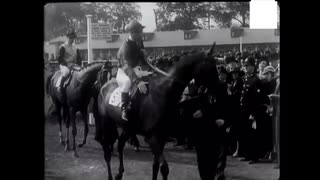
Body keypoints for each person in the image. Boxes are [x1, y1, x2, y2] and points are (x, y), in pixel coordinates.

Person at [116, 20, 151, 121]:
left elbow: (142, 58)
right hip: (124, 71)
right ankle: (124, 109)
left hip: (136, 69)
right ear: (132, 33)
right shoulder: (125, 46)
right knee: (127, 82)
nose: (141, 33)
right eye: (139, 32)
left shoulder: (139, 41)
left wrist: (148, 62)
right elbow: (126, 67)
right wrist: (138, 81)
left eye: (141, 31)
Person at [239, 56, 269, 164]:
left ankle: (254, 156)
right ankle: (247, 155)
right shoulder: (247, 78)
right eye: (245, 66)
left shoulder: (256, 80)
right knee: (246, 133)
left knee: (253, 135)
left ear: (253, 67)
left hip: (252, 111)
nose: (246, 68)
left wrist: (254, 113)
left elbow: (258, 99)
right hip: (245, 110)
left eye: (248, 66)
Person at [57, 28, 82, 96]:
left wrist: (79, 65)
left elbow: (79, 58)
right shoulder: (63, 47)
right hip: (64, 65)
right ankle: (60, 88)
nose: (72, 39)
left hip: (73, 65)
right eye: (70, 38)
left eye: (73, 38)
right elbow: (60, 58)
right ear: (67, 37)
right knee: (66, 72)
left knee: (81, 72)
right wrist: (66, 64)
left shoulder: (75, 47)